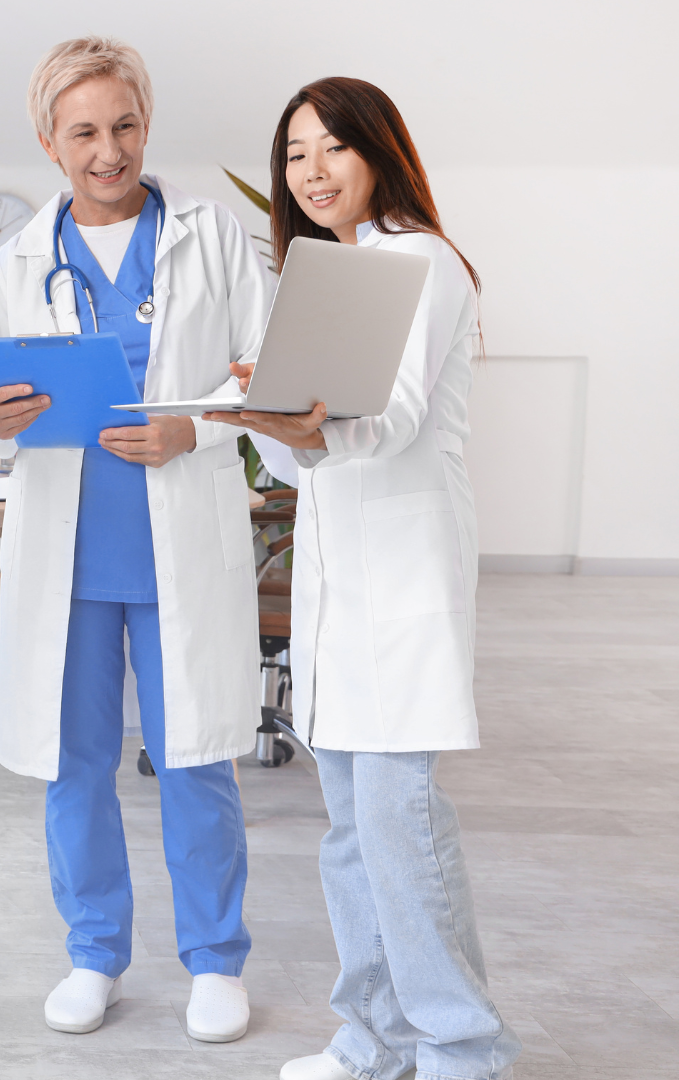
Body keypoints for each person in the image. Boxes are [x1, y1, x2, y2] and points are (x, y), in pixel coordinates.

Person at [206, 76, 522, 1080]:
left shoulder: (420, 262)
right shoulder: (327, 274)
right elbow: (317, 455)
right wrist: (270, 419)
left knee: (400, 826)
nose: (311, 169)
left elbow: (385, 423)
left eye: (332, 146)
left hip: (406, 578)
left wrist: (309, 423)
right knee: (351, 829)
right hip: (338, 591)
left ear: (379, 150)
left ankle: (463, 1050)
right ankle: (374, 1038)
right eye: (296, 153)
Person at [0, 36, 265, 1043]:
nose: (109, 150)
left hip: (179, 544)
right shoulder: (19, 257)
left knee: (195, 758)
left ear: (147, 124)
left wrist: (196, 426)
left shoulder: (212, 238)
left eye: (124, 126)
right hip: (70, 556)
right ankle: (95, 953)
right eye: (84, 131)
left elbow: (265, 379)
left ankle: (215, 959)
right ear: (49, 140)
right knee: (74, 763)